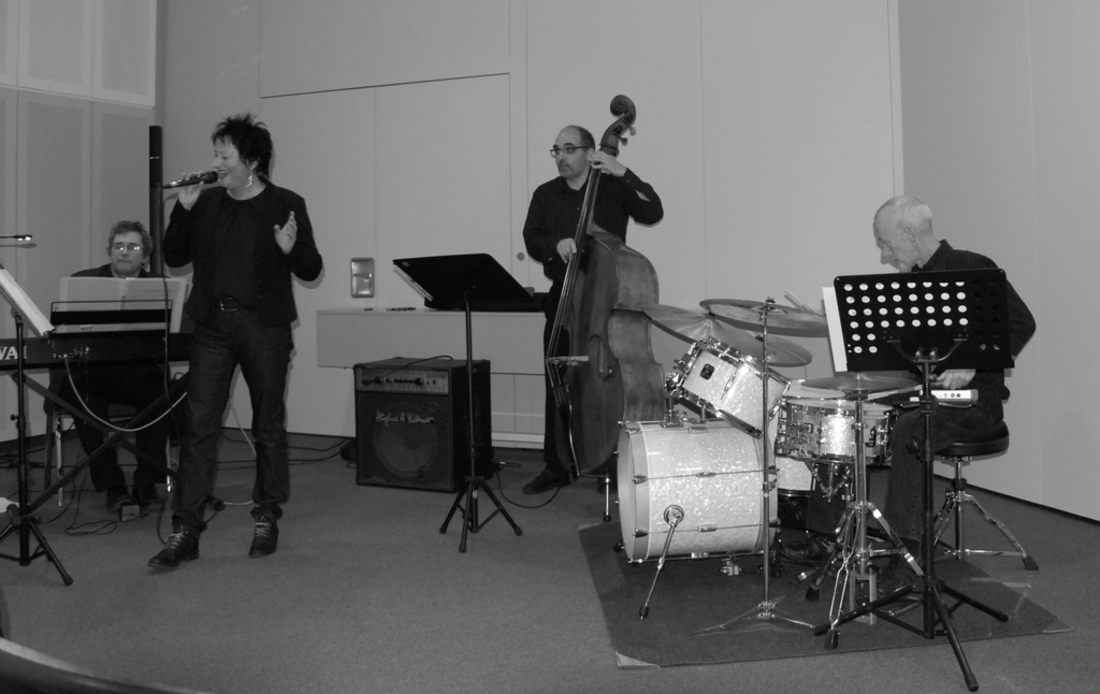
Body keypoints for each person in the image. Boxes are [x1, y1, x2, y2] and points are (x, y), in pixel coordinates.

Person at [148, 113, 323, 569]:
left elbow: (311, 268)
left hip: (265, 328)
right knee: (199, 426)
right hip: (211, 328)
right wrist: (183, 211)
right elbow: (174, 257)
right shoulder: (205, 202)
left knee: (268, 424)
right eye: (215, 154)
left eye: (224, 155)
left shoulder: (285, 203)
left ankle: (266, 514)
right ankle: (186, 528)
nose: (216, 163)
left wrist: (291, 249)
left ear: (252, 161)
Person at [871, 195, 1036, 586]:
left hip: (977, 404)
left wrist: (973, 362)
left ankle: (908, 551)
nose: (884, 255)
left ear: (910, 233)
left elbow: (1021, 322)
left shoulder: (972, 267)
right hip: (928, 400)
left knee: (911, 428)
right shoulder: (909, 284)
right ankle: (825, 534)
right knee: (860, 417)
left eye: (887, 243)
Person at [520, 125, 663, 495]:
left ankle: (611, 463)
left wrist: (623, 172)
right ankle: (558, 464)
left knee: (611, 384)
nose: (561, 157)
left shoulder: (612, 186)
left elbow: (652, 210)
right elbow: (532, 238)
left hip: (605, 302)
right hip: (564, 299)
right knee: (557, 378)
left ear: (589, 152)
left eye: (568, 149)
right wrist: (555, 244)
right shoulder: (546, 194)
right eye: (556, 150)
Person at [50, 221, 171, 512]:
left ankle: (146, 480)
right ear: (110, 251)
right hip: (92, 372)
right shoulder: (84, 281)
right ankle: (112, 485)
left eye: (133, 247)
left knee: (160, 394)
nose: (124, 252)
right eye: (118, 246)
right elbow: (62, 333)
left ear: (146, 255)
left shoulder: (161, 286)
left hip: (138, 372)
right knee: (84, 400)